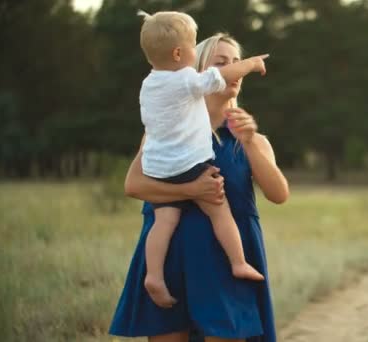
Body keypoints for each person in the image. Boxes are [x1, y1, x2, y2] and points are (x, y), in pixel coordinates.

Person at [109, 32, 288, 342]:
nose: (235, 69)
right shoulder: (165, 131)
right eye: (222, 63)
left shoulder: (253, 140)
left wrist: (249, 142)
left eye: (237, 62)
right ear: (200, 73)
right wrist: (191, 191)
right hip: (170, 255)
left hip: (227, 261)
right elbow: (134, 185)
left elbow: (278, 194)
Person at [136, 11, 270, 309]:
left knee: (164, 219)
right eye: (193, 46)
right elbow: (217, 79)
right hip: (189, 165)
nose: (229, 70)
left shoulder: (150, 84)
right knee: (219, 209)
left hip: (160, 167)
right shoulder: (187, 81)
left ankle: (153, 275)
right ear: (179, 54)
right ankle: (238, 262)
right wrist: (250, 65)